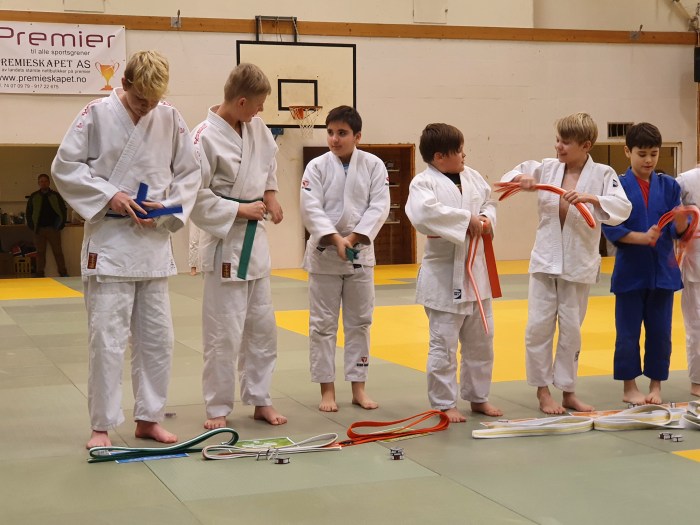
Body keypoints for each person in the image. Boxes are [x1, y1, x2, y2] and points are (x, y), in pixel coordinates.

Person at [51, 50, 200, 449]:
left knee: (158, 339)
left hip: (152, 242)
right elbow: (65, 167)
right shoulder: (95, 114)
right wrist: (109, 195)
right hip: (110, 243)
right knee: (107, 340)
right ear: (124, 84)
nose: (146, 107)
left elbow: (190, 173)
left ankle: (149, 419)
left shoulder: (169, 117)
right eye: (139, 100)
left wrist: (165, 209)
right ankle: (101, 426)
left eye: (154, 100)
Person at [501, 113, 632, 414]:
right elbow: (510, 176)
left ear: (585, 145)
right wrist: (522, 180)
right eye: (558, 140)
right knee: (538, 327)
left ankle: (569, 391)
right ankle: (542, 391)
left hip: (578, 263)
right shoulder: (547, 168)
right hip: (545, 261)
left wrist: (592, 199)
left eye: (566, 142)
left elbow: (623, 207)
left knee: (571, 329)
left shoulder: (603, 174)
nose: (558, 146)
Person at [190, 63, 286, 428]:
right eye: (258, 104)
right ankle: (217, 406)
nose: (262, 110)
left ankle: (260, 398)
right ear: (242, 101)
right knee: (223, 332)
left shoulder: (256, 127)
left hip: (255, 243)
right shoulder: (203, 138)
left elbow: (269, 163)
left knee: (262, 327)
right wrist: (238, 209)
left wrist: (271, 195)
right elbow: (194, 195)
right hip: (225, 242)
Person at [406, 123, 502, 423]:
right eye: (459, 151)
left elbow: (488, 202)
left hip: (477, 273)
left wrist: (485, 218)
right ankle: (444, 402)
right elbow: (423, 214)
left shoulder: (472, 176)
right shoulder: (423, 184)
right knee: (443, 345)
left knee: (482, 340)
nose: (464, 155)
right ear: (439, 156)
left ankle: (478, 397)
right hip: (444, 275)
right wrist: (466, 219)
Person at [300, 105, 390, 412]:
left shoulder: (373, 165)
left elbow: (379, 206)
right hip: (325, 254)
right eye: (330, 132)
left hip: (359, 252)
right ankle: (327, 390)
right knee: (322, 325)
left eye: (342, 133)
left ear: (357, 136)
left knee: (360, 322)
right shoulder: (316, 167)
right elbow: (310, 207)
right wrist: (334, 238)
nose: (334, 139)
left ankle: (358, 388)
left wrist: (352, 239)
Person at [602, 122, 687, 405]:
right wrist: (641, 237)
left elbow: (677, 231)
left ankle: (656, 386)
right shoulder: (617, 187)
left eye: (653, 153)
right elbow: (611, 227)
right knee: (627, 334)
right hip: (630, 271)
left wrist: (681, 222)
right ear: (628, 151)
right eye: (642, 154)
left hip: (663, 271)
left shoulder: (670, 186)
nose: (648, 160)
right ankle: (629, 387)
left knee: (660, 333)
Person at [670, 166, 700, 397]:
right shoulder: (686, 181)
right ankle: (698, 380)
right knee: (697, 327)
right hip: (696, 263)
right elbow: (670, 217)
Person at [26, 173, 68, 277]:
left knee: (58, 252)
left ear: (49, 182)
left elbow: (63, 209)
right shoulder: (34, 196)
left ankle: (63, 273)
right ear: (38, 183)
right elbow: (29, 212)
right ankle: (39, 273)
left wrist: (61, 224)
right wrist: (32, 226)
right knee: (40, 253)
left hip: (53, 229)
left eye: (45, 181)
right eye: (41, 181)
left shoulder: (55, 196)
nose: (43, 183)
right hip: (38, 229)